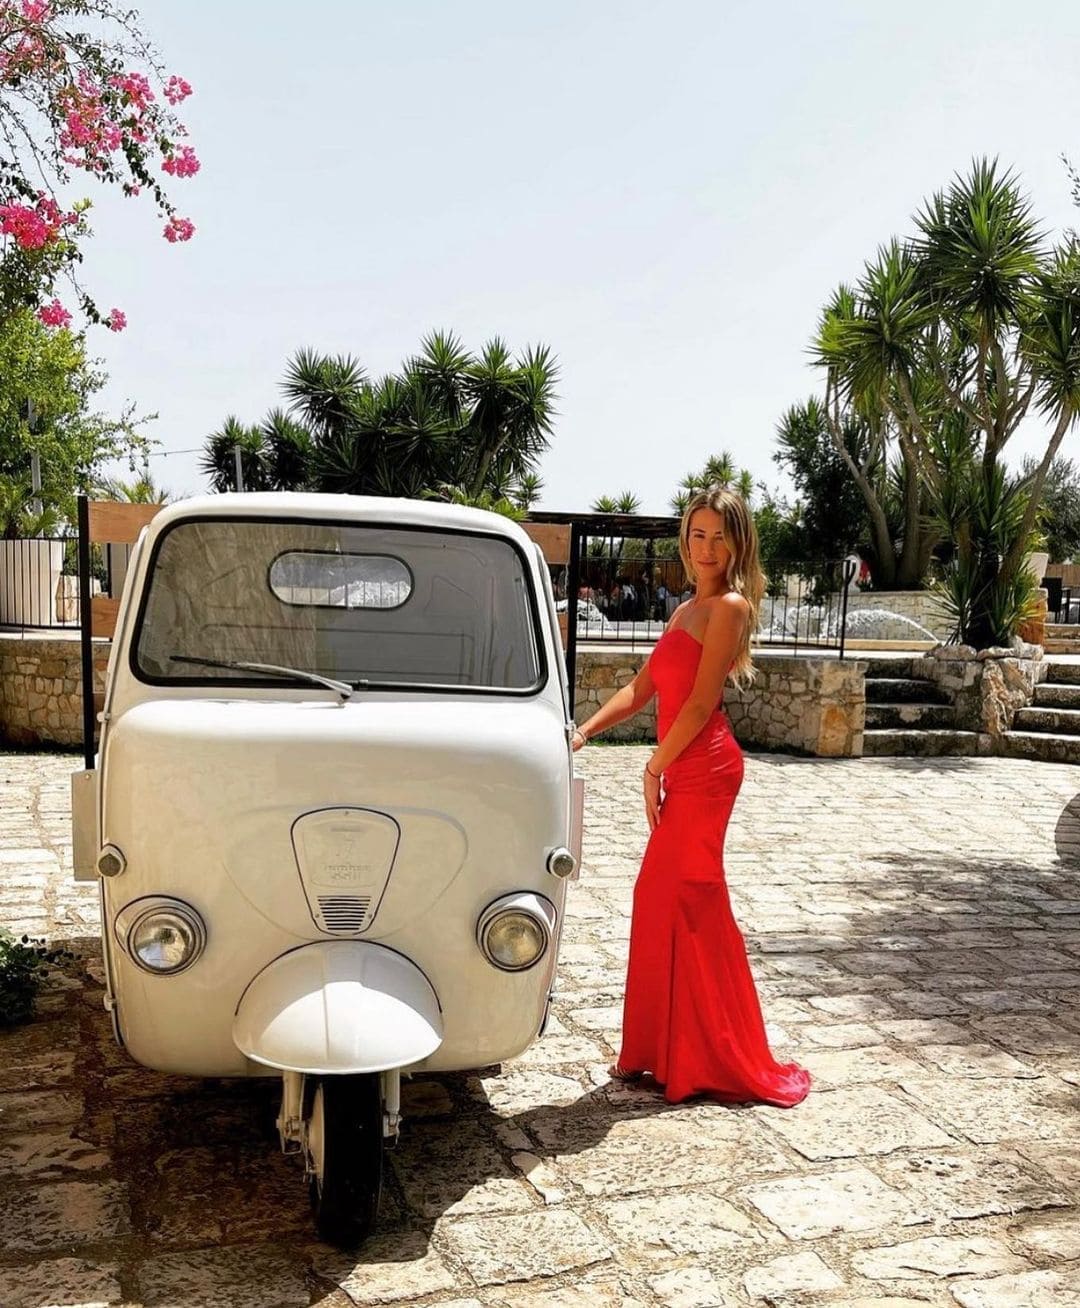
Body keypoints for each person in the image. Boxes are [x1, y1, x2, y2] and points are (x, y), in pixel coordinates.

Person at [571, 489, 811, 1107]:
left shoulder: (729, 607)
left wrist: (653, 768)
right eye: (697, 535)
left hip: (705, 770)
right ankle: (663, 1048)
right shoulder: (684, 611)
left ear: (737, 542)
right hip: (683, 764)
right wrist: (584, 731)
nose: (706, 548)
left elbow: (702, 704)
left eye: (718, 536)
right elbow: (643, 688)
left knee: (685, 897)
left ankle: (712, 1053)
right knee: (663, 896)